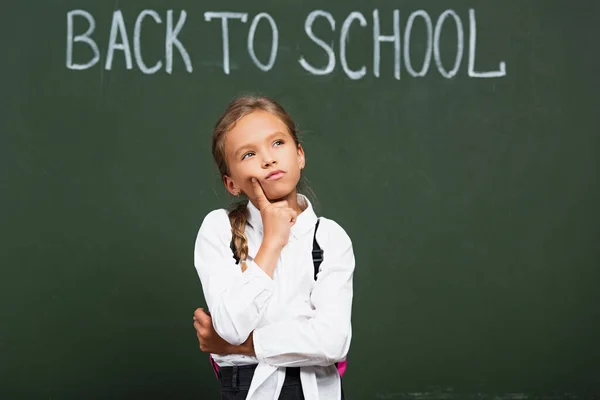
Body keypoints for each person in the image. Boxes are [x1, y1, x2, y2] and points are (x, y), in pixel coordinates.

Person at [192, 95, 355, 399]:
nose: (268, 158)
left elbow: (333, 342)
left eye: (277, 143)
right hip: (247, 388)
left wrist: (238, 347)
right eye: (249, 154)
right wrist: (272, 242)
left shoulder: (329, 237)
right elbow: (229, 325)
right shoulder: (219, 229)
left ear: (300, 154)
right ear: (232, 184)